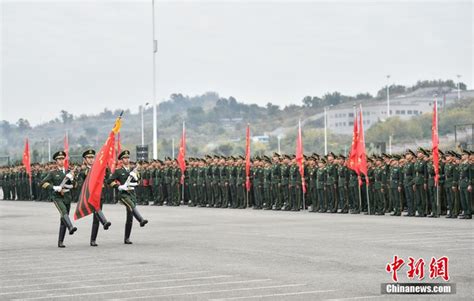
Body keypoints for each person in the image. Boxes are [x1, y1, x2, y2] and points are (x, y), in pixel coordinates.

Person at [107, 150, 148, 244]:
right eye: (124, 158)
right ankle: (141, 219)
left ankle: (127, 238)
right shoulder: (118, 171)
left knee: (130, 217)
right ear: (121, 160)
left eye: (128, 157)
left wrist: (136, 178)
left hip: (132, 193)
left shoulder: (133, 170)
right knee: (130, 205)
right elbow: (109, 181)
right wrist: (118, 186)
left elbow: (138, 181)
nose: (127, 159)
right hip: (123, 194)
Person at [40, 151, 77, 248]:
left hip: (67, 196)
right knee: (63, 212)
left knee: (63, 218)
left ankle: (60, 241)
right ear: (56, 161)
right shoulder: (53, 173)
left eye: (62, 159)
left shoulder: (69, 171)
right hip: (57, 197)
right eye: (59, 159)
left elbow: (76, 185)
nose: (61, 161)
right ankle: (71, 227)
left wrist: (72, 179)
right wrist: (54, 187)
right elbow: (42, 183)